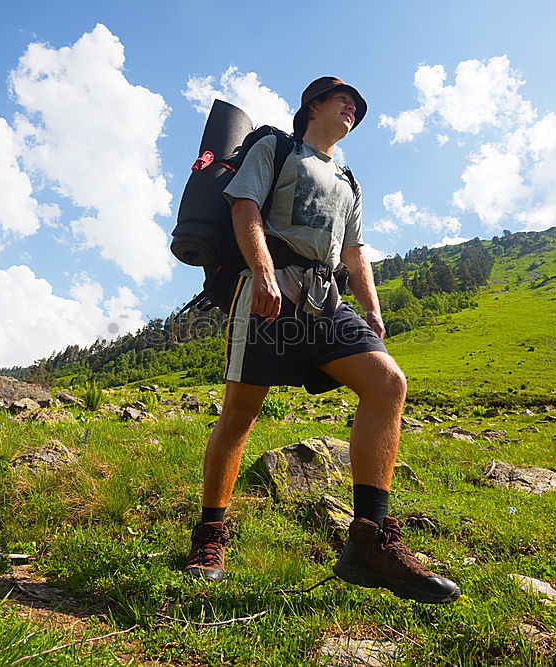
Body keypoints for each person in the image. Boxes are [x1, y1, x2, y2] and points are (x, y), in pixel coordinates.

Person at [184, 77, 460, 604]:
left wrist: (373, 308)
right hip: (271, 287)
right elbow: (245, 208)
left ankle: (370, 540)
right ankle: (211, 535)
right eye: (344, 100)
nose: (353, 108)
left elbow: (355, 252)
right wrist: (261, 272)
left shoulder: (349, 181)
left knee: (387, 383)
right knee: (240, 413)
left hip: (327, 298)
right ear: (314, 105)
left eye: (358, 105)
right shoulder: (277, 148)